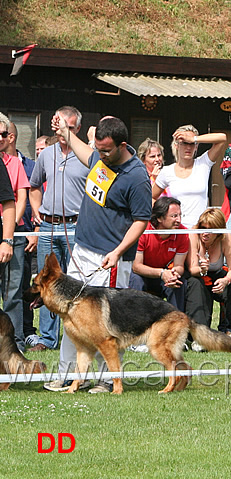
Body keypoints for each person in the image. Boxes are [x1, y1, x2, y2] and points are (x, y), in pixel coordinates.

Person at [45, 115, 152, 394]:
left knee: (107, 322)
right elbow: (85, 152)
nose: (100, 155)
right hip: (82, 250)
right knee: (72, 315)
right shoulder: (100, 158)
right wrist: (66, 131)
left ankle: (107, 379)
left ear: (122, 145)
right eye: (99, 149)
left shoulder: (137, 177)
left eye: (106, 150)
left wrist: (117, 252)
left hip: (111, 258)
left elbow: (141, 220)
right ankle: (68, 375)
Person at [29, 106, 89, 351]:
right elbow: (34, 186)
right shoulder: (47, 154)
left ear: (78, 129)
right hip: (48, 226)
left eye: (71, 127)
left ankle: (75, 334)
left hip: (76, 226)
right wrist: (37, 213)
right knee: (46, 281)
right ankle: (46, 339)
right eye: (62, 126)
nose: (65, 132)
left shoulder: (87, 155)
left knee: (75, 281)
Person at [185, 208, 231, 351]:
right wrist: (202, 270)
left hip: (219, 276)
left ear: (219, 231)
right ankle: (200, 339)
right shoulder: (193, 235)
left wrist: (225, 280)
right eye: (203, 228)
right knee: (195, 283)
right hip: (199, 276)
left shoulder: (226, 237)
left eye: (211, 229)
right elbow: (192, 269)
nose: (205, 233)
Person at [152, 125, 227, 228]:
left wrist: (194, 138)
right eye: (184, 143)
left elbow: (222, 138)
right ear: (176, 145)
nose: (188, 147)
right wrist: (163, 217)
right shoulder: (167, 171)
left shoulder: (203, 163)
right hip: (178, 229)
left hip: (201, 228)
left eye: (192, 144)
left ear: (196, 146)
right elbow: (151, 197)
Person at [0, 113, 30, 351]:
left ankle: (16, 345)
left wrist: (9, 231)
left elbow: (18, 199)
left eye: (4, 134)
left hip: (12, 234)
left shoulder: (14, 163)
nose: (1, 139)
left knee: (13, 294)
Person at [129, 196, 188, 312]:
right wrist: (161, 273)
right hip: (142, 274)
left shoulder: (183, 233)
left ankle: (177, 323)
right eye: (174, 216)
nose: (179, 220)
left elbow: (179, 265)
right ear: (160, 218)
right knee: (136, 281)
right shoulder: (144, 231)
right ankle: (136, 320)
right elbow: (136, 267)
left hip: (163, 274)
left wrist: (174, 274)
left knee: (178, 283)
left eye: (180, 215)